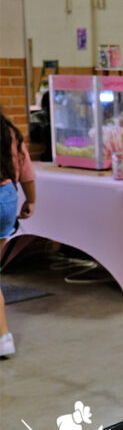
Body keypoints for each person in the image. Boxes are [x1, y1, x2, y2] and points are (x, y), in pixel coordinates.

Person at [1, 106, 37, 358]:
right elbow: (26, 171)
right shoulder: (8, 132)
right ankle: (3, 337)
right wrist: (31, 200)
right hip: (6, 198)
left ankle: (3, 335)